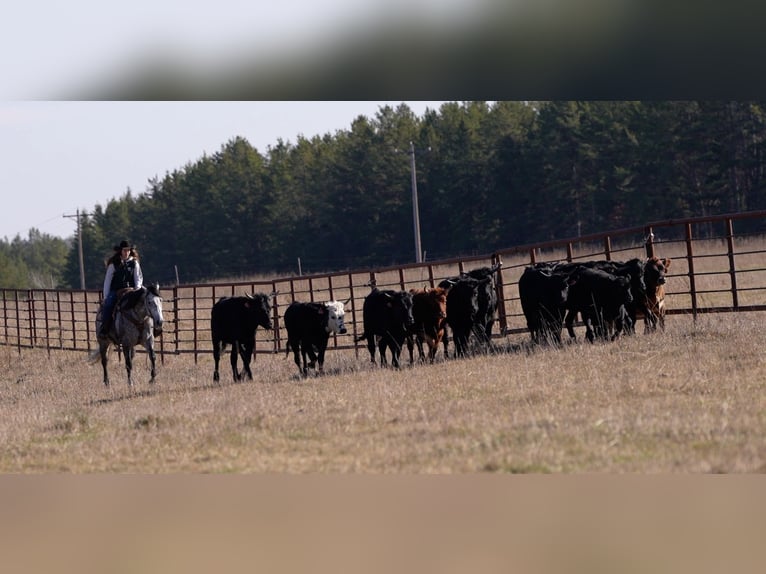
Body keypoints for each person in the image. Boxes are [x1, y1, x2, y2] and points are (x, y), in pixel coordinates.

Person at [99, 240, 144, 336]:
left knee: (145, 301)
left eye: (128, 250)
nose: (126, 252)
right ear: (120, 251)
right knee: (108, 304)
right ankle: (105, 327)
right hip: (116, 291)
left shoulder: (134, 263)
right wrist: (106, 296)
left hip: (131, 290)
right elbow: (107, 281)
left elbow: (138, 278)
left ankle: (149, 328)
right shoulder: (113, 264)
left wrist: (137, 289)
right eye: (124, 250)